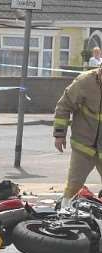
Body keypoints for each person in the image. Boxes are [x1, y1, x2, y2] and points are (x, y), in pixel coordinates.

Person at [54, 66, 102, 208]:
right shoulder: (84, 81)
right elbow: (63, 106)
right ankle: (64, 214)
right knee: (73, 185)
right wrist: (59, 135)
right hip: (83, 145)